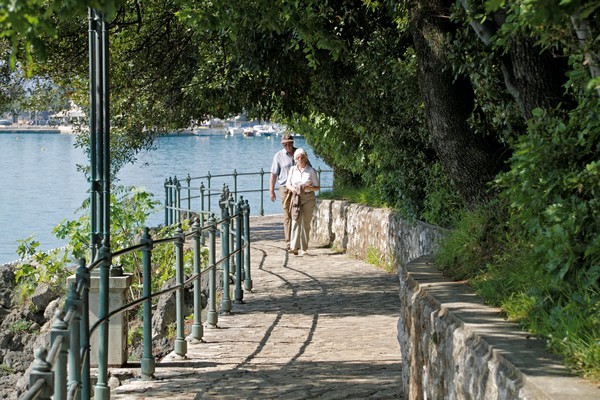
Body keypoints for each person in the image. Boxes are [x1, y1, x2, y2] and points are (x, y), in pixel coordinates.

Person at [286, 148, 320, 256]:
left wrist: (308, 187)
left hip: (308, 197)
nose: (300, 159)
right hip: (296, 197)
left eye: (302, 157)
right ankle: (294, 247)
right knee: (296, 220)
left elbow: (317, 187)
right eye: (298, 157)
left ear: (306, 158)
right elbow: (288, 184)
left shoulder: (311, 171)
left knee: (306, 222)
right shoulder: (292, 170)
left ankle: (304, 248)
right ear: (295, 159)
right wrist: (293, 189)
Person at [270, 132, 296, 250]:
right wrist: (271, 191)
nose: (287, 146)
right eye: (285, 144)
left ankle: (297, 239)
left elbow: (308, 167)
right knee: (287, 215)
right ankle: (288, 241)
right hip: (285, 188)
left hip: (298, 188)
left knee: (297, 213)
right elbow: (274, 174)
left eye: (289, 143)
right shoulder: (278, 156)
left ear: (292, 142)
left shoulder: (299, 153)